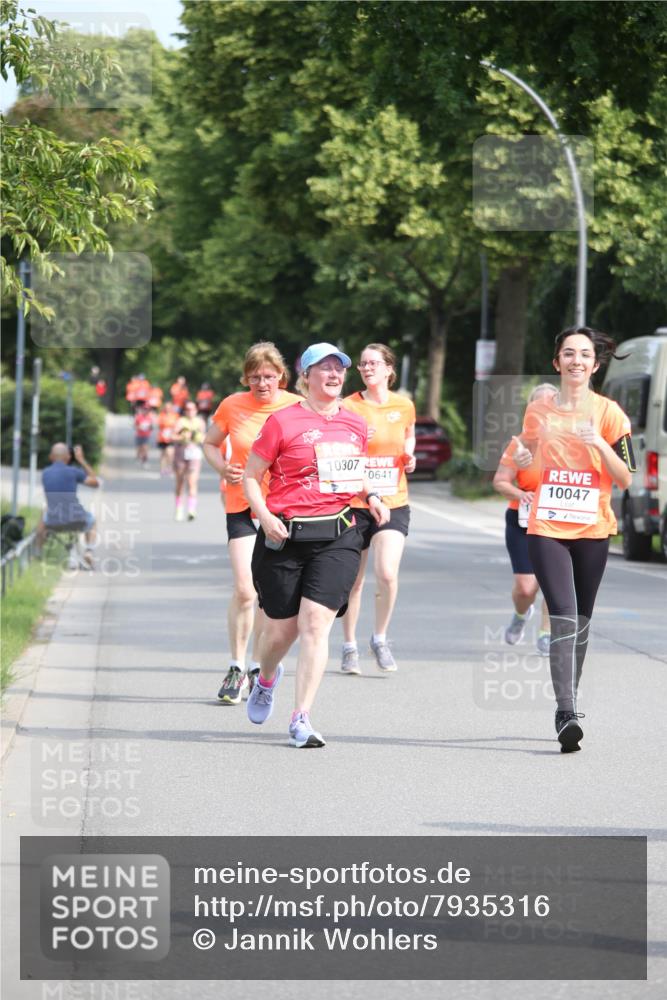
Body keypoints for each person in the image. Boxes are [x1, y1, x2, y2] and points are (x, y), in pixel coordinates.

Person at [243, 342, 390, 748]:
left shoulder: (355, 423)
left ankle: (301, 717)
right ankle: (267, 678)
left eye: (339, 368)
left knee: (315, 623)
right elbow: (252, 476)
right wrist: (265, 517)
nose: (333, 374)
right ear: (305, 376)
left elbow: (353, 473)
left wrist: (373, 496)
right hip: (285, 535)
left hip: (339, 534)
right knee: (279, 633)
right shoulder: (281, 422)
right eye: (323, 368)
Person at [520, 327, 635, 753]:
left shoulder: (609, 413)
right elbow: (530, 473)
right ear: (557, 363)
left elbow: (625, 478)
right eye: (568, 354)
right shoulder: (538, 413)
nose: (576, 361)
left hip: (593, 529)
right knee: (563, 615)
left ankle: (569, 695)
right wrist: (521, 462)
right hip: (547, 526)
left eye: (584, 354)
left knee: (582, 620)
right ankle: (566, 710)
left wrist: (599, 446)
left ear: (595, 364)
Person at [203, 343, 300, 704]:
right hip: (242, 503)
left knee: (268, 593)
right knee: (246, 589)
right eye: (255, 377)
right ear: (246, 378)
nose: (262, 383)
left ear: (281, 377)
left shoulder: (295, 406)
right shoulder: (232, 405)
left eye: (269, 376)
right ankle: (236, 665)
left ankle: (259, 667)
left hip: (282, 508)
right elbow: (210, 444)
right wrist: (221, 467)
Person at [339, 343, 416, 674]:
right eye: (362, 364)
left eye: (373, 363)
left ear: (389, 369)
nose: (367, 368)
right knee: (353, 582)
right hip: (355, 504)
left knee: (386, 573)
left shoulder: (404, 405)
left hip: (394, 500)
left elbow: (407, 436)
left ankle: (380, 638)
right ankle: (349, 647)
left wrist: (409, 456)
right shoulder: (348, 406)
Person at [493, 384, 557, 656]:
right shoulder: (520, 443)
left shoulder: (572, 443)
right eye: (538, 407)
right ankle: (521, 614)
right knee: (525, 586)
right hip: (522, 519)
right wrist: (521, 493)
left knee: (552, 580)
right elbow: (500, 481)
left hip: (558, 518)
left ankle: (546, 633)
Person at [35, 443, 99, 567]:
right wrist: (81, 460)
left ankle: (37, 553)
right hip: (77, 520)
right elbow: (95, 483)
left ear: (50, 457)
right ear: (68, 457)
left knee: (44, 512)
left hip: (53, 523)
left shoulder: (46, 473)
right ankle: (89, 551)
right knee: (93, 520)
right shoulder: (74, 472)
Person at [173, 400, 206, 521]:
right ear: (184, 411)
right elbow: (172, 436)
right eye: (187, 409)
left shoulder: (200, 422)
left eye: (192, 409)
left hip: (194, 454)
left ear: (196, 410)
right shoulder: (180, 422)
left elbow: (204, 437)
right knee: (180, 482)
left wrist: (200, 438)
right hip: (181, 453)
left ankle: (191, 510)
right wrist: (182, 436)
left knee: (192, 482)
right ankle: (179, 508)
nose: (190, 411)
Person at [156, 401, 179, 476]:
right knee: (163, 454)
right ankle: (162, 469)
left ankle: (170, 468)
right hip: (162, 437)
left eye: (169, 407)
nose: (167, 409)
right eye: (166, 407)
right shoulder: (161, 415)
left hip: (171, 437)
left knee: (170, 453)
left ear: (171, 408)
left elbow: (178, 426)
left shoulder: (175, 416)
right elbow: (159, 425)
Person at [133, 403, 153, 468]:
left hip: (146, 436)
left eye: (147, 409)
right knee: (139, 449)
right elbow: (135, 426)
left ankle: (145, 461)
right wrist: (140, 427)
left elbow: (151, 427)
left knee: (145, 448)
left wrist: (149, 427)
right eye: (144, 409)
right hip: (139, 435)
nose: (145, 411)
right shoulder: (139, 417)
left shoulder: (149, 418)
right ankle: (138, 458)